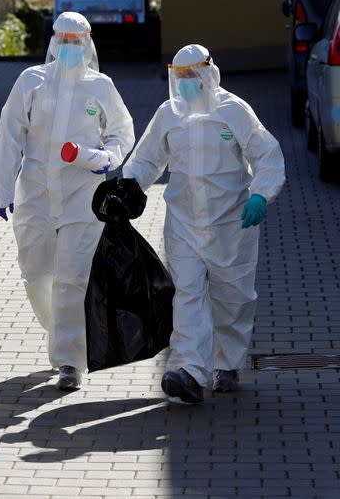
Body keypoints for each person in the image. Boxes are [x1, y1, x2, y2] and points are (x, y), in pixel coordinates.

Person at [122, 44, 285, 404]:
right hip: (182, 221)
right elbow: (147, 159)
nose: (185, 85)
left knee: (233, 298)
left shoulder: (233, 110)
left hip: (232, 221)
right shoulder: (169, 114)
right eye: (179, 78)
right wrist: (130, 186)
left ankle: (227, 363)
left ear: (208, 74)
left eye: (191, 77)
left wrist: (261, 193)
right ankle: (189, 371)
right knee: (187, 294)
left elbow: (266, 153)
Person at [0, 12, 134, 390]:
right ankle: (61, 331)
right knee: (37, 275)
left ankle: (70, 361)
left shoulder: (100, 87)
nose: (70, 47)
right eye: (63, 40)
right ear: (53, 41)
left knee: (72, 278)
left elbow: (122, 132)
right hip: (35, 194)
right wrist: (1, 189)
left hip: (81, 196)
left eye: (76, 41)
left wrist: (105, 158)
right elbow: (10, 133)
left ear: (87, 44)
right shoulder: (31, 81)